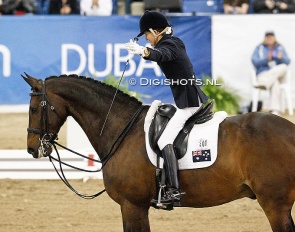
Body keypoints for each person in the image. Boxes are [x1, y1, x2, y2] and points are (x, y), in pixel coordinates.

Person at [125, 10, 209, 203]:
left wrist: (144, 52)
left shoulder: (170, 44)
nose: (146, 39)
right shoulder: (174, 41)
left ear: (155, 31)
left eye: (147, 35)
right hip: (185, 99)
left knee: (164, 141)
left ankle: (173, 189)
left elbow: (163, 55)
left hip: (189, 103)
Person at [251, 30, 291, 115]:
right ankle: (275, 110)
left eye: (271, 37)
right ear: (265, 38)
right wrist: (266, 59)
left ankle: (265, 83)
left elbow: (287, 62)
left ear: (274, 38)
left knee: (283, 67)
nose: (269, 38)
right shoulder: (259, 48)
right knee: (274, 82)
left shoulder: (280, 47)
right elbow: (255, 62)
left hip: (273, 76)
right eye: (267, 37)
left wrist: (281, 58)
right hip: (264, 73)